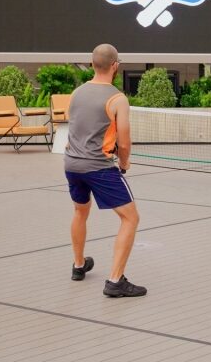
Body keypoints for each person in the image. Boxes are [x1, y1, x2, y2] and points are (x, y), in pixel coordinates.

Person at [64, 44, 146, 298]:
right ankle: (115, 281)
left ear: (92, 64)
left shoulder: (77, 93)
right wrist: (124, 162)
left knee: (80, 210)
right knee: (131, 218)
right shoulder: (117, 98)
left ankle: (79, 266)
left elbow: (75, 127)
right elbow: (124, 140)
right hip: (98, 167)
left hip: (71, 164)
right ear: (115, 66)